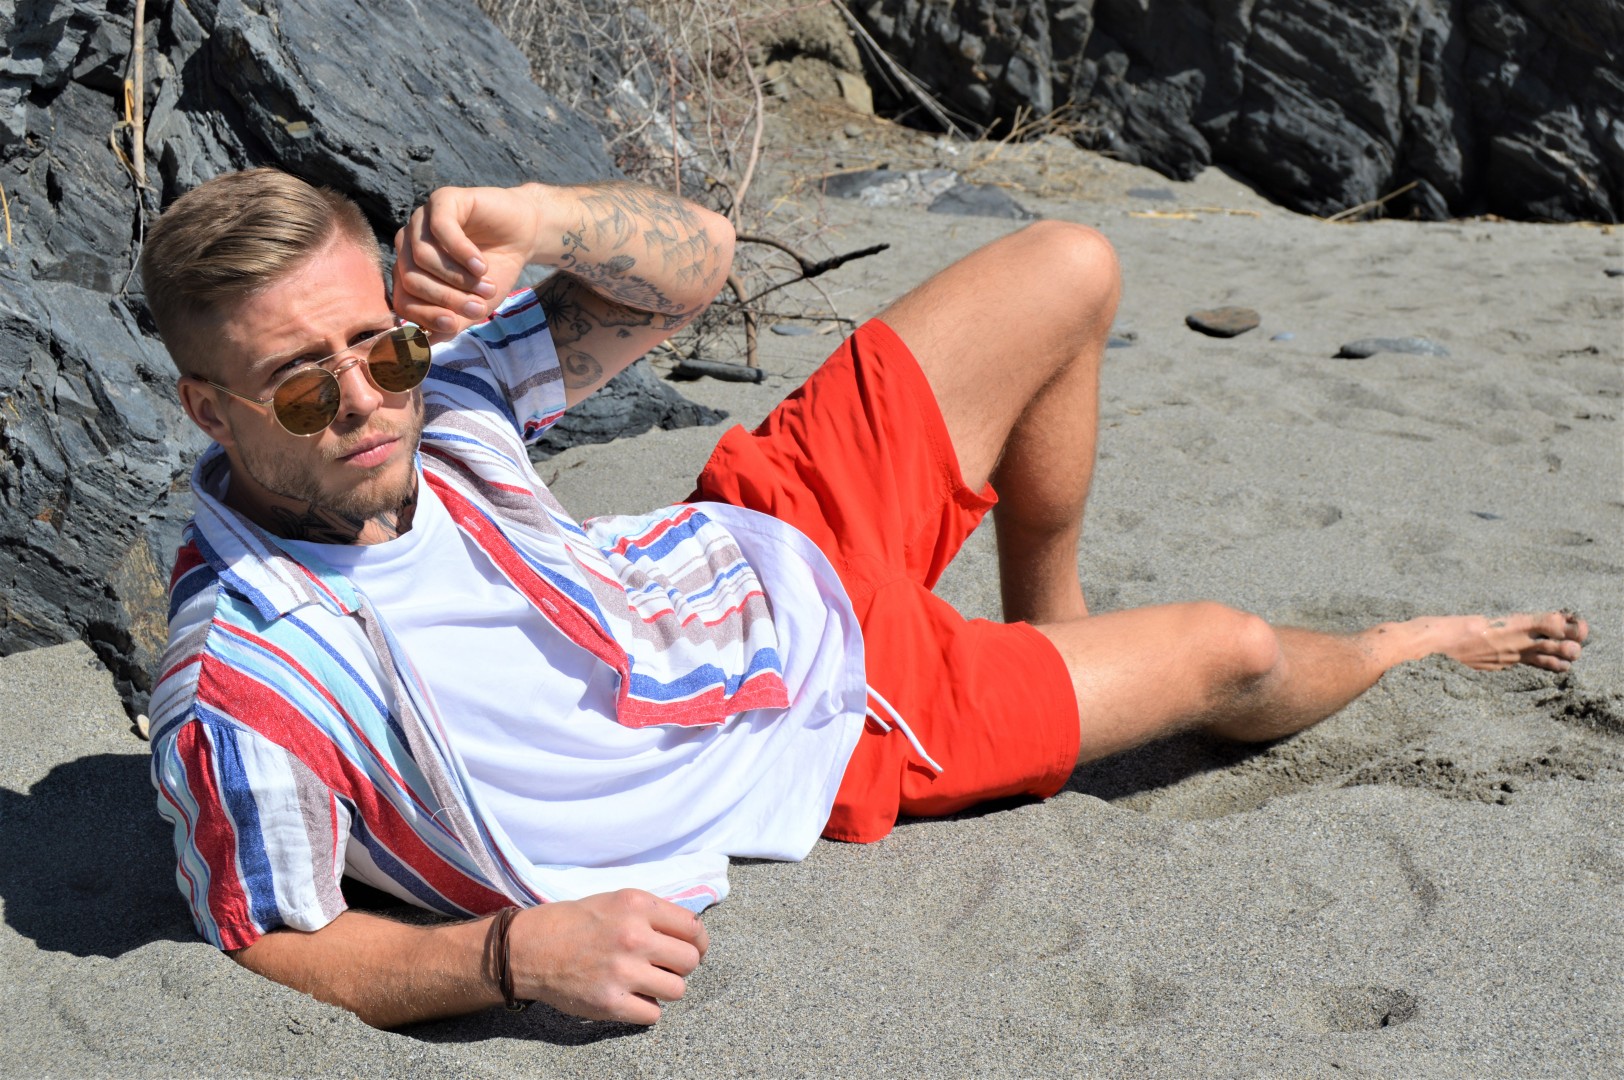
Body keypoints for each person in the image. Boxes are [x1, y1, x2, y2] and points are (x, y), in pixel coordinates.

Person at [141, 167, 1586, 1030]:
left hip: (750, 539)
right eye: (303, 385)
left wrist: (542, 217)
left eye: (382, 348)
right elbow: (273, 937)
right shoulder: (249, 680)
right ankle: (1407, 645)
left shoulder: (441, 402)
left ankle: (1051, 625)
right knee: (1237, 651)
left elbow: (689, 270)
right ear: (211, 408)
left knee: (1072, 263)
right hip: (836, 720)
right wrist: (513, 956)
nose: (366, 404)